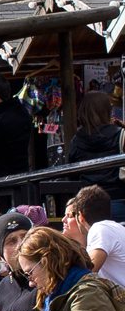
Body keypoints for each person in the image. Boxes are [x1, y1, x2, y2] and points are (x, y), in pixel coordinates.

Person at [67, 91, 125, 219]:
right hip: (119, 198)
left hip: (88, 204)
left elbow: (72, 176)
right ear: (107, 110)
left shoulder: (76, 140)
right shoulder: (121, 135)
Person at [68, 185, 125, 288]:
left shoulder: (100, 228)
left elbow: (87, 272)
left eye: (72, 214)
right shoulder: (116, 227)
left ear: (80, 215)